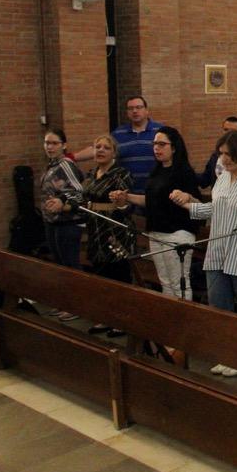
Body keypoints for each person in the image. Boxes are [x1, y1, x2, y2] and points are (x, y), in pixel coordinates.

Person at [170, 130, 237, 378]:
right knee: (219, 307)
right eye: (221, 154)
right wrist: (188, 204)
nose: (224, 159)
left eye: (229, 155)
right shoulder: (222, 178)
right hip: (218, 250)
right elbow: (216, 209)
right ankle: (226, 354)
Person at [111, 126, 200, 300]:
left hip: (177, 233)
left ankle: (185, 321)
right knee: (165, 283)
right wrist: (126, 196)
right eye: (154, 144)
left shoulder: (184, 171)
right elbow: (150, 201)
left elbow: (195, 201)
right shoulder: (157, 171)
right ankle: (170, 321)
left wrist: (186, 196)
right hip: (156, 232)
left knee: (179, 283)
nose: (156, 148)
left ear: (173, 147)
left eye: (162, 144)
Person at [69, 135, 135, 336]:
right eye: (97, 147)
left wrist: (99, 205)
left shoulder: (120, 174)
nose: (100, 151)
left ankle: (121, 320)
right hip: (95, 230)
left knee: (118, 276)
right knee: (100, 276)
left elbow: (124, 205)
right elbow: (81, 197)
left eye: (106, 148)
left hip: (114, 230)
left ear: (114, 153)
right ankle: (105, 317)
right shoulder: (90, 173)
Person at [41, 127, 86, 322]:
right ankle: (65, 302)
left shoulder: (66, 164)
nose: (49, 147)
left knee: (71, 265)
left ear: (64, 145)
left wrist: (61, 200)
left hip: (68, 222)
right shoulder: (52, 165)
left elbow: (79, 191)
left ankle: (78, 306)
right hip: (52, 221)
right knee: (59, 264)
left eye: (54, 143)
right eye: (47, 143)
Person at [75, 96, 163, 194]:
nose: (134, 111)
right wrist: (71, 157)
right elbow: (98, 149)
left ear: (146, 110)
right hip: (127, 192)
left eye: (139, 107)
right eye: (130, 108)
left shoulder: (160, 131)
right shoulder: (118, 133)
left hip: (155, 191)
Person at [198, 116, 237, 189]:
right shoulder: (215, 155)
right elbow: (205, 180)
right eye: (226, 130)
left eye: (232, 131)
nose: (228, 134)